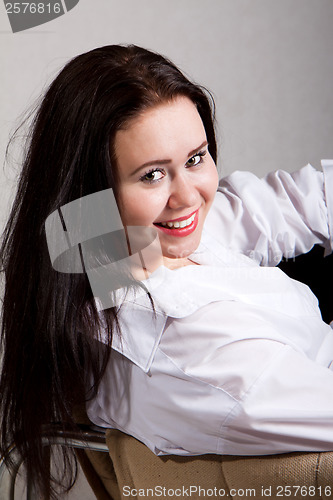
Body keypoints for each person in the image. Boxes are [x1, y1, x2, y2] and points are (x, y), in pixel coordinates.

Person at [0, 44, 332, 498]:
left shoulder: (104, 248)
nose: (189, 197)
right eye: (153, 174)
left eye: (196, 158)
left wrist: (152, 183)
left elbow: (291, 203)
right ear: (92, 189)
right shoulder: (205, 350)